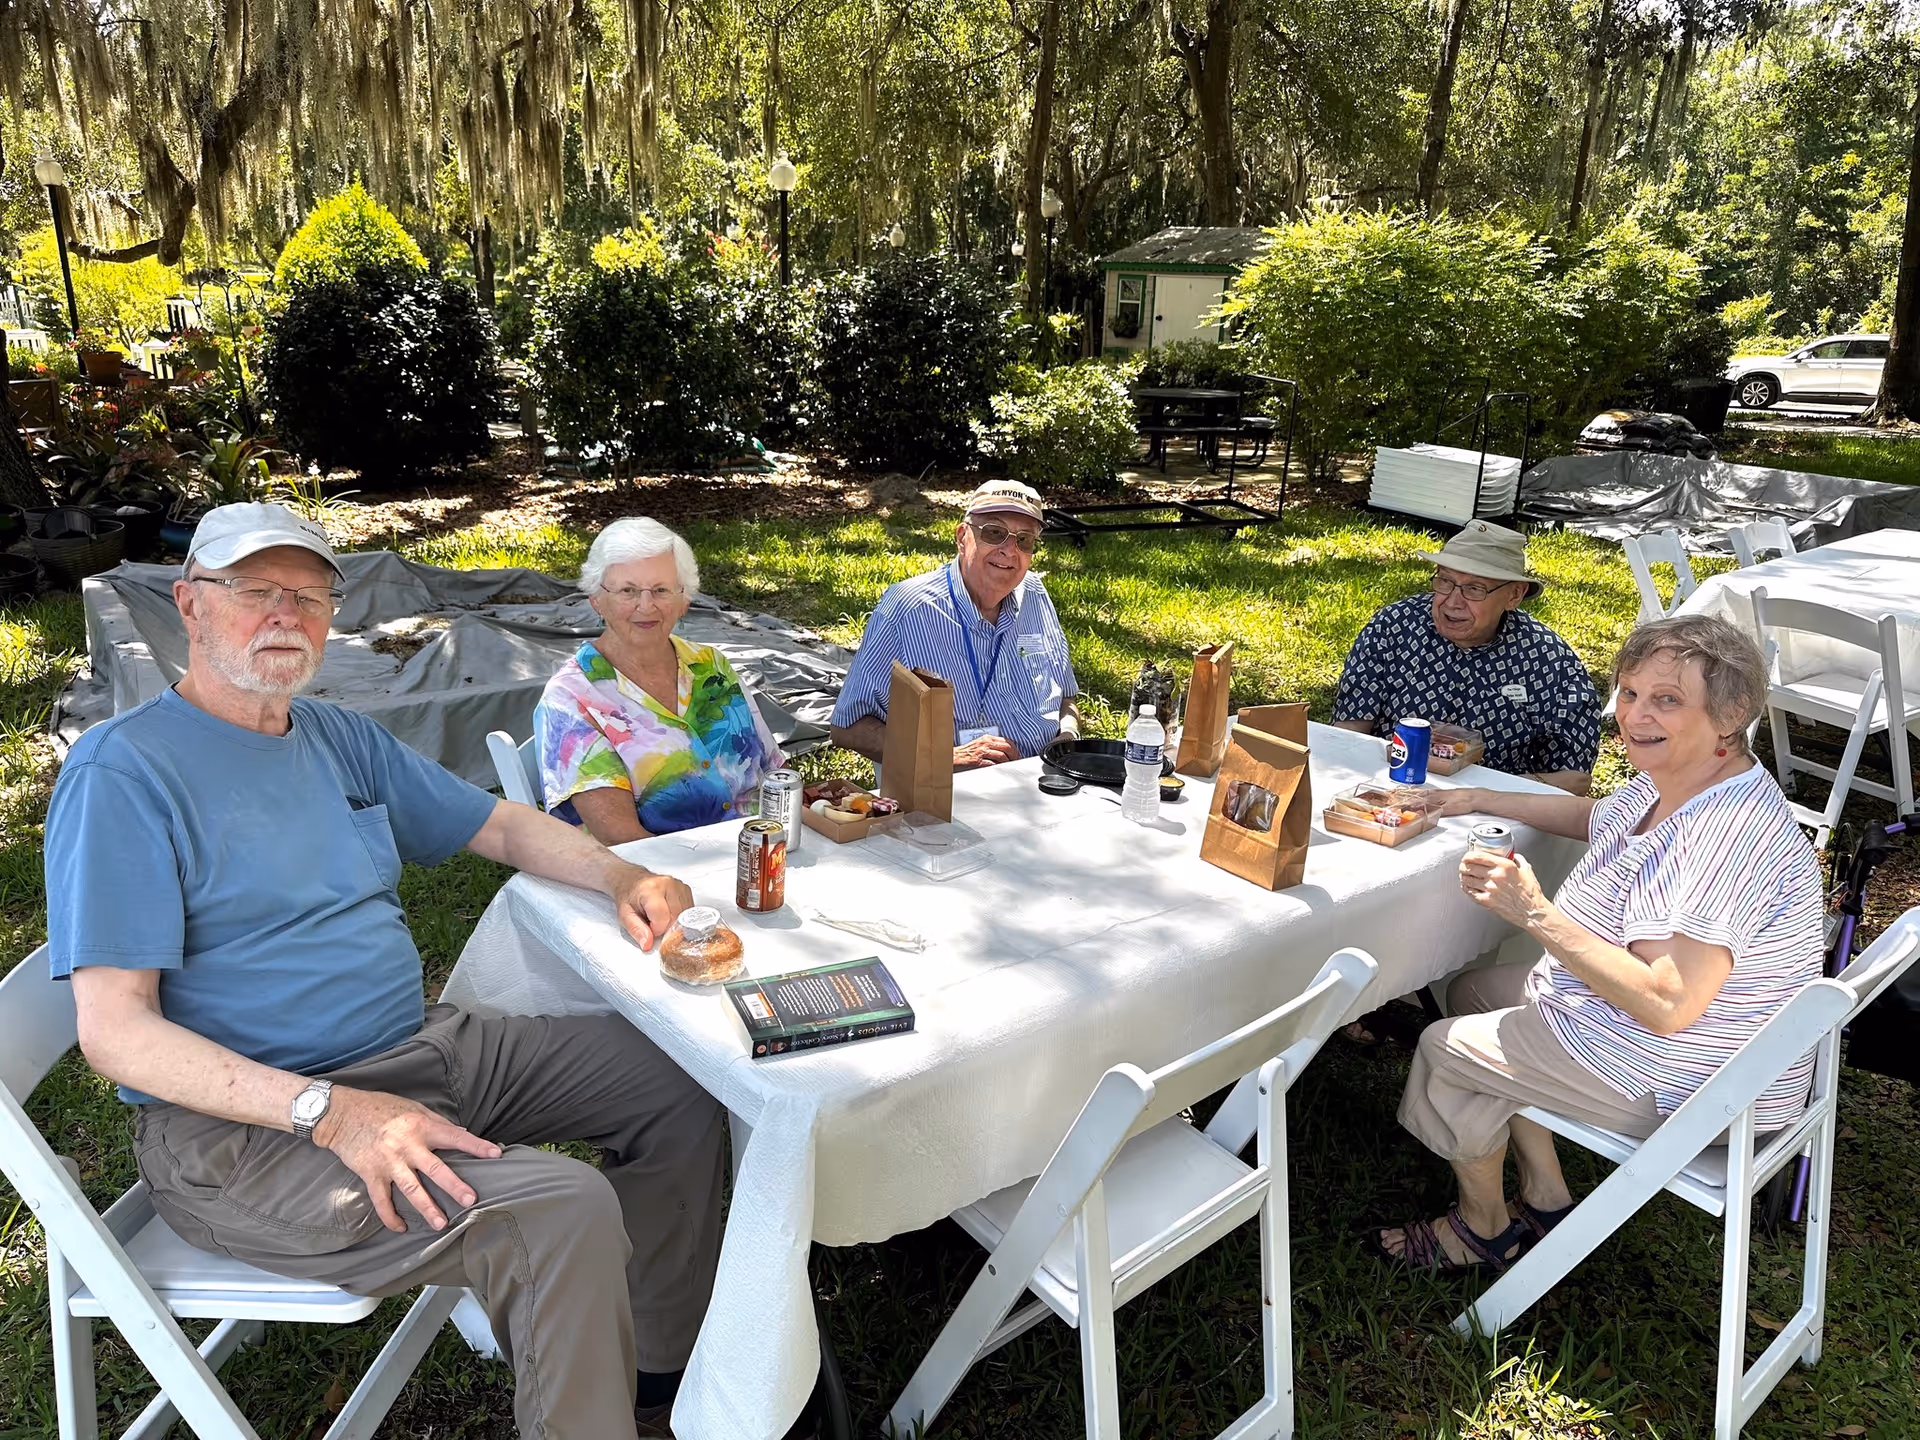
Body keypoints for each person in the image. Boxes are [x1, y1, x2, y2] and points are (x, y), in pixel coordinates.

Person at [45, 503, 723, 1438]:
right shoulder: (125, 774)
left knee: (685, 1078)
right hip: (251, 1134)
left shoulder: (332, 735)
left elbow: (493, 822)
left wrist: (621, 872)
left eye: (311, 594)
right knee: (559, 1209)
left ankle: (650, 1379)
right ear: (189, 604)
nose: (285, 613)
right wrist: (326, 1112)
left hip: (419, 1055)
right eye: (254, 591)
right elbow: (115, 1032)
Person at [1377, 614, 1821, 1271]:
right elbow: (1596, 814)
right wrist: (1478, 797)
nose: (1636, 715)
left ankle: (1483, 1231)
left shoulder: (1720, 838)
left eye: (1668, 700)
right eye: (1631, 693)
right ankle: (1548, 1195)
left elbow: (1669, 1004)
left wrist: (1533, 911)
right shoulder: (1684, 777)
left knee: (1444, 1051)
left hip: (1689, 1081)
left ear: (1730, 715)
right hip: (1665, 1045)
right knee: (1470, 992)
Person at [538, 517, 786, 844]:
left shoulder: (712, 666)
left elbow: (774, 776)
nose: (646, 605)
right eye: (628, 591)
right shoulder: (572, 698)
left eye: (661, 590)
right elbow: (622, 838)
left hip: (760, 854)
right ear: (596, 600)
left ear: (684, 600)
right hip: (659, 876)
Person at [1333, 520, 1600, 795]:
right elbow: (1348, 730)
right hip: (1386, 789)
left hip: (1494, 810)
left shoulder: (1549, 660)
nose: (1452, 602)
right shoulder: (1394, 626)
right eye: (1445, 581)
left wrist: (1489, 795)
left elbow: (1575, 778)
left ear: (1514, 595)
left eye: (1474, 589)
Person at [831, 479, 1082, 770]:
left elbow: (1066, 697)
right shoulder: (908, 609)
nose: (1010, 550)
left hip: (1040, 782)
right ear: (963, 537)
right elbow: (848, 728)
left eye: (1024, 539)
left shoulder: (1035, 594)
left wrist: (1067, 737)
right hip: (948, 793)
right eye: (995, 533)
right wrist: (944, 758)